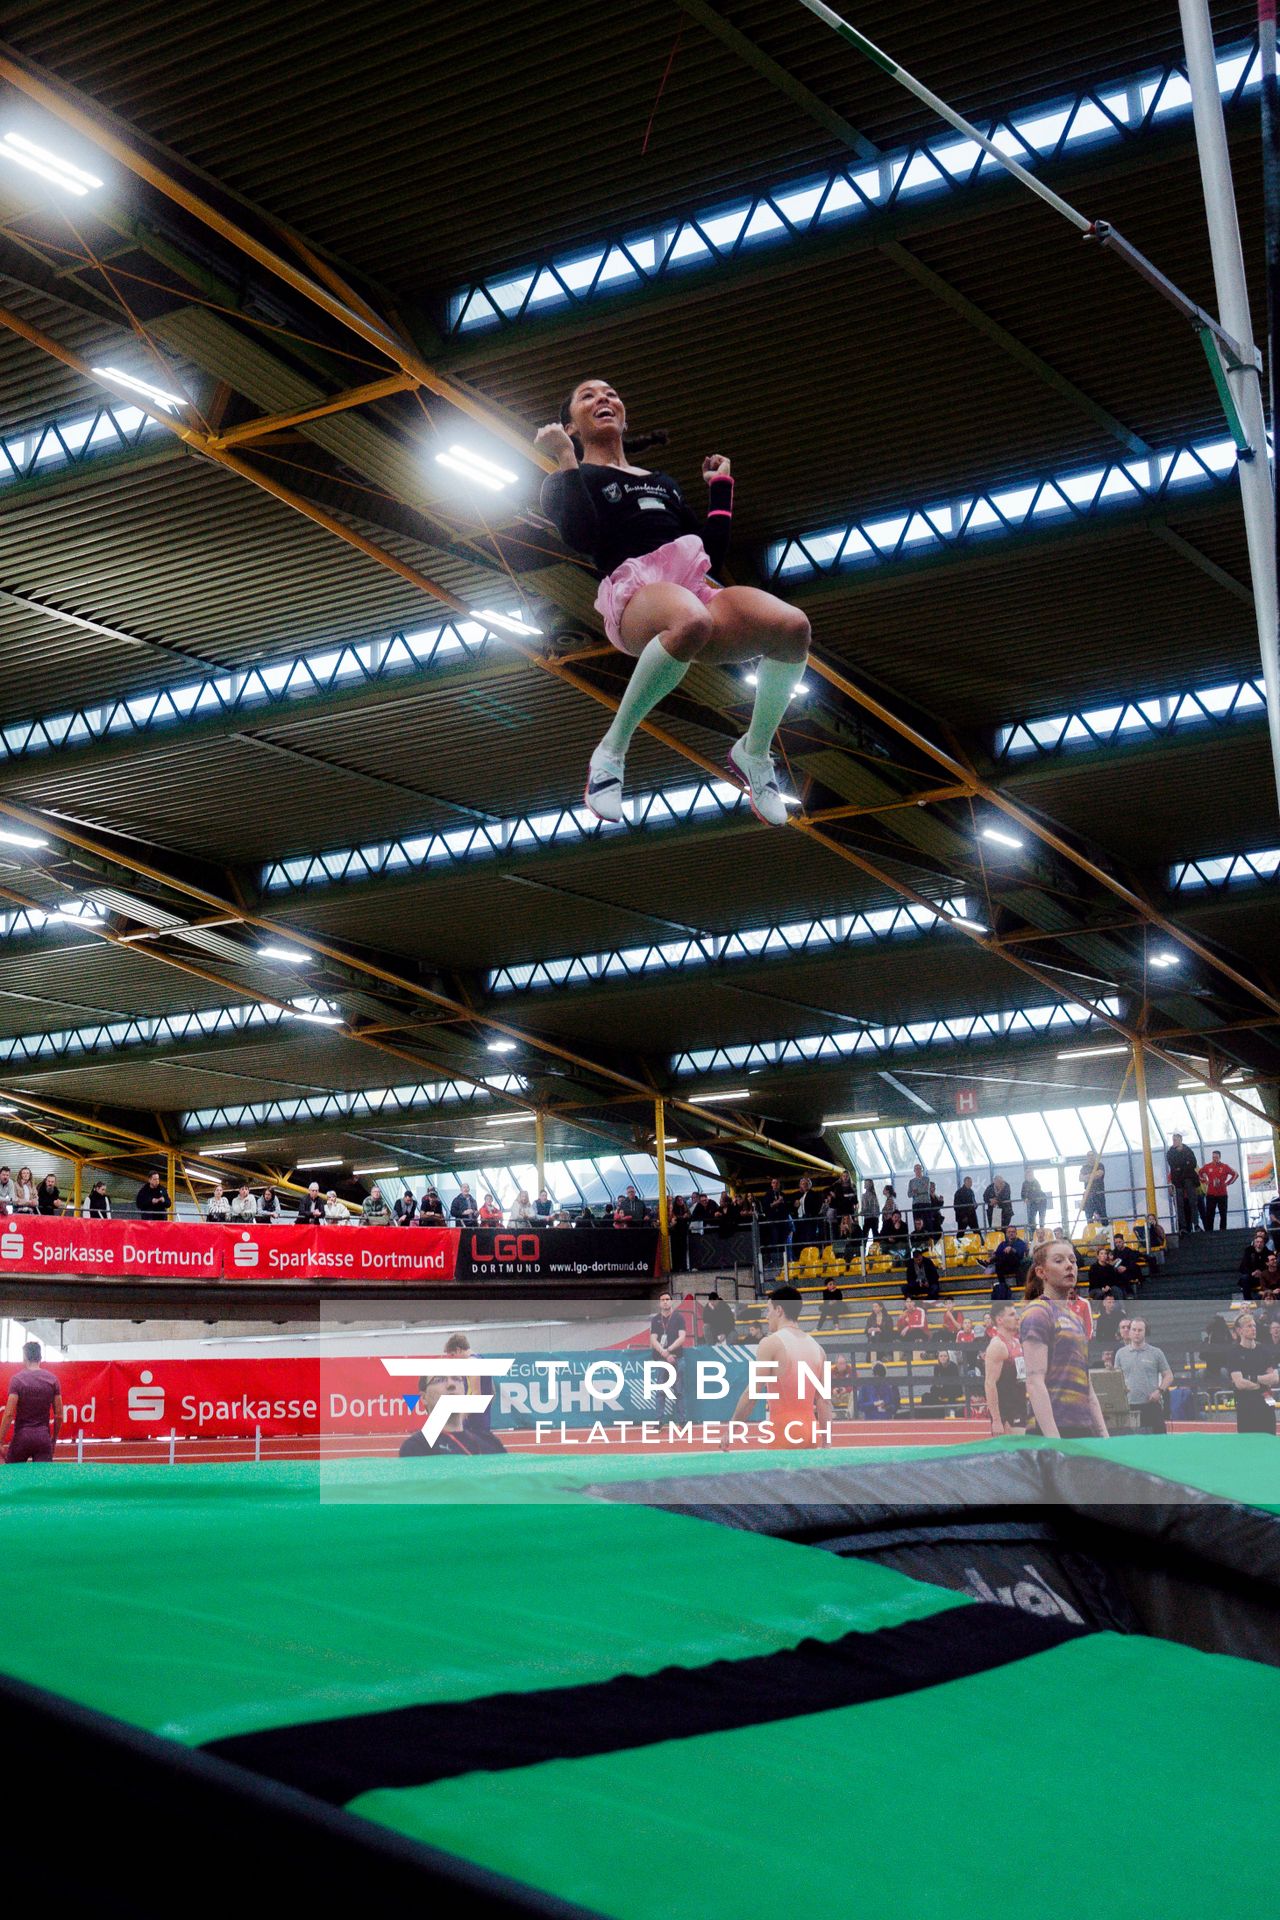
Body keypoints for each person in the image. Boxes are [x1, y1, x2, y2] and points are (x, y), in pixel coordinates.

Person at [537, 379, 809, 826]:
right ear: (570, 425)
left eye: (610, 393)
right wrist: (566, 459)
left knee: (793, 627)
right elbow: (582, 537)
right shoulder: (568, 479)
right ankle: (611, 752)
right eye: (588, 396)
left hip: (692, 590)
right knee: (690, 617)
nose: (604, 398)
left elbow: (709, 555)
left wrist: (720, 488)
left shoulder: (662, 483)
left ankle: (755, 753)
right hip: (635, 595)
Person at [1020, 1239, 1108, 1440]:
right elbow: (1034, 1380)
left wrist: (1104, 1435)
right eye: (1059, 1261)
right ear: (1042, 1272)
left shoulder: (1076, 1320)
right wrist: (1054, 1441)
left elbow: (1087, 1385)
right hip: (1051, 1431)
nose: (1070, 1265)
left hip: (1082, 1429)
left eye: (1073, 1260)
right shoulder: (1037, 1312)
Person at [727, 1285, 832, 1447]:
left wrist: (732, 1428)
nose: (766, 1316)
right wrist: (826, 1443)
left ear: (779, 1310)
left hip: (784, 1431)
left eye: (768, 1310)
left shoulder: (771, 1343)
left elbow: (753, 1393)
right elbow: (824, 1402)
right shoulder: (818, 1349)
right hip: (811, 1432)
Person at [398, 1373, 507, 1457]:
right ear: (423, 1398)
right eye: (439, 1379)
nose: (451, 1384)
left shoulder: (491, 1442)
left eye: (456, 1378)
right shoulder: (416, 1447)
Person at [0, 1341, 62, 1464]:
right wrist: (54, 1439)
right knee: (42, 1480)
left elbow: (9, 1414)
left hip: (22, 1437)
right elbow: (59, 1415)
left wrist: (0, 1440)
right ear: (40, 1357)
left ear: (24, 1357)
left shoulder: (17, 1380)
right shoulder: (53, 1380)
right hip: (43, 1438)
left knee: (13, 1477)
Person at [1114, 1318, 1173, 1433]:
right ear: (1130, 1332)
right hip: (1129, 1406)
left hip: (1151, 1405)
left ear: (1145, 1332)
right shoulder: (1120, 1354)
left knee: (1158, 1442)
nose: (1136, 1333)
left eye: (1140, 1330)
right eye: (1134, 1330)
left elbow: (1169, 1375)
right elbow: (1116, 1378)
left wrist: (1159, 1391)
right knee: (1133, 1444)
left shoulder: (1156, 1353)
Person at [1229, 1314, 1278, 1436]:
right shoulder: (1234, 1353)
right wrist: (1262, 1382)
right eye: (1249, 1326)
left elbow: (1275, 1378)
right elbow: (1240, 1383)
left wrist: (1253, 1378)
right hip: (1246, 1404)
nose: (1253, 1329)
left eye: (1254, 1326)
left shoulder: (1264, 1350)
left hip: (1266, 1401)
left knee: (1269, 1440)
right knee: (1248, 1444)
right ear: (1240, 1330)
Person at [983, 1303, 1027, 1434]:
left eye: (1016, 1313)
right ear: (999, 1320)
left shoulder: (1017, 1342)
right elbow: (989, 1384)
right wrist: (996, 1420)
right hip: (1006, 1412)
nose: (1017, 1318)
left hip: (1020, 1404)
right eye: (1012, 1315)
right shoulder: (997, 1346)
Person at [649, 1289, 688, 1422]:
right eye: (662, 1300)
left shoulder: (679, 1317)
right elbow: (653, 1339)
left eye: (667, 1299)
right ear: (659, 1303)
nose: (665, 1302)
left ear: (671, 1301)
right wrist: (664, 1353)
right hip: (661, 1360)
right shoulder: (655, 1320)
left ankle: (682, 1421)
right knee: (660, 1391)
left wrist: (669, 1350)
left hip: (677, 1358)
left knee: (679, 1391)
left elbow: (682, 1337)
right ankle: (658, 1421)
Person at [1166, 1133, 1200, 1233]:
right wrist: (1185, 1164)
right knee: (1179, 1204)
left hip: (1188, 1178)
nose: (1174, 1142)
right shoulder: (1170, 1152)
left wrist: (1180, 1167)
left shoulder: (1188, 1150)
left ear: (1181, 1140)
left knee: (1193, 1202)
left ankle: (1196, 1224)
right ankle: (1183, 1226)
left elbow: (1193, 1163)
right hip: (1177, 1181)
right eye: (1173, 1140)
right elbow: (1173, 1164)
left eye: (1175, 1140)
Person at [1197, 1149, 1238, 1231]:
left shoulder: (1224, 1166)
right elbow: (1199, 1173)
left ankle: (1222, 1230)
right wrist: (1205, 1181)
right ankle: (1209, 1231)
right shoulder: (1208, 1166)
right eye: (1213, 1157)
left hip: (1222, 1194)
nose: (1214, 1159)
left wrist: (1227, 1183)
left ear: (1219, 1157)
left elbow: (1235, 1174)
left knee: (1223, 1213)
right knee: (1210, 1214)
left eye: (1216, 1157)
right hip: (1211, 1194)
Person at [987, 1224, 1028, 1289]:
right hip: (1005, 1266)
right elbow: (996, 1253)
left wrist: (1011, 1249)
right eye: (1009, 1232)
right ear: (1006, 1233)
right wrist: (990, 1258)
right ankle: (1003, 1286)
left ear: (1016, 1233)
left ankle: (989, 1265)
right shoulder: (1003, 1243)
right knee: (998, 1263)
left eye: (1013, 1232)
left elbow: (1020, 1253)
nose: (1011, 1233)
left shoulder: (1020, 1243)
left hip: (1016, 1266)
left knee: (1009, 1253)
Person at [1109, 1231, 1145, 1296]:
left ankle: (1129, 1293)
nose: (1118, 1244)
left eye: (1119, 1242)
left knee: (1124, 1274)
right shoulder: (1114, 1252)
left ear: (1123, 1241)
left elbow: (1132, 1263)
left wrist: (1125, 1268)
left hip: (1129, 1270)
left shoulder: (1128, 1251)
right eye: (1116, 1242)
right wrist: (1117, 1267)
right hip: (1119, 1271)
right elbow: (1111, 1264)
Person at [1080, 1155, 1109, 1227]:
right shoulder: (1084, 1167)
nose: (1091, 1157)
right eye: (1089, 1156)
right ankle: (1090, 1229)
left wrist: (1087, 1176)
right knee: (1088, 1214)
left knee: (1102, 1213)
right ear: (1087, 1158)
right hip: (1088, 1193)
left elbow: (1099, 1174)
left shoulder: (1100, 1165)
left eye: (1092, 1156)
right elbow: (1080, 1178)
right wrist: (1093, 1175)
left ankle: (1105, 1228)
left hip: (1099, 1193)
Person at [1020, 1168, 1048, 1233]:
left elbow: (1036, 1192)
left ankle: (1042, 1230)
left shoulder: (1036, 1182)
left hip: (1041, 1201)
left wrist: (1028, 1198)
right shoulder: (1024, 1183)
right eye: (1027, 1174)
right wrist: (1025, 1198)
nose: (1029, 1176)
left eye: (1030, 1174)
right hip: (1032, 1202)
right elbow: (1022, 1194)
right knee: (1031, 1218)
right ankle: (1033, 1232)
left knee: (1041, 1217)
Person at [906, 1163, 932, 1232]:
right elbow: (909, 1194)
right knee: (917, 1222)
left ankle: (928, 1238)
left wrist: (915, 1192)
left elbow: (926, 1190)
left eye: (919, 1168)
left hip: (926, 1203)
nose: (918, 1170)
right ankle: (918, 1239)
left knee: (927, 1222)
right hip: (916, 1204)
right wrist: (914, 1192)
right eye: (916, 1169)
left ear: (922, 1170)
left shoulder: (926, 1179)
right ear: (914, 1171)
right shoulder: (911, 1181)